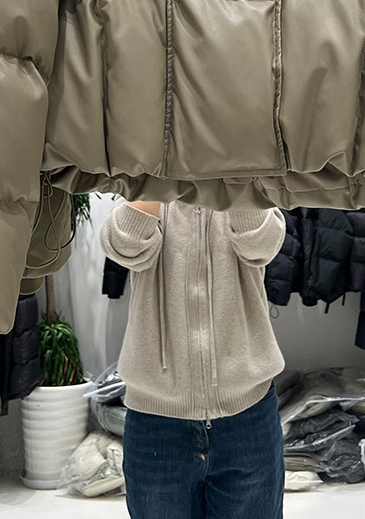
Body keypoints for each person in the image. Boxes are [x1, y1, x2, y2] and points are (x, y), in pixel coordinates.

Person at [101, 196, 287, 518]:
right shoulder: (148, 181)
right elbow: (123, 246)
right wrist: (156, 180)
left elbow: (263, 245)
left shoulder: (244, 179)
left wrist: (233, 176)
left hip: (247, 414)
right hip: (156, 419)